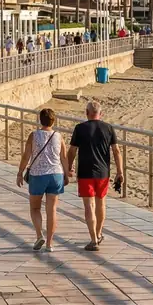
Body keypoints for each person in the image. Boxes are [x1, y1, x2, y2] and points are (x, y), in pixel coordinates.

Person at [66, 100, 124, 251]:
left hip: (85, 172)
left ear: (87, 113)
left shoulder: (80, 128)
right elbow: (116, 151)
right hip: (103, 172)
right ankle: (98, 234)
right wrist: (120, 171)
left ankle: (93, 240)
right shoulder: (109, 128)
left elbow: (72, 151)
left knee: (89, 206)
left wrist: (68, 167)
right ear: (101, 114)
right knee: (101, 204)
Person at [17, 108, 67, 252]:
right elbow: (63, 157)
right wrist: (66, 173)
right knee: (52, 210)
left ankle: (39, 235)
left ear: (40, 120)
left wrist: (20, 172)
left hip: (38, 175)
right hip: (55, 175)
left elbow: (26, 156)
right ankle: (50, 244)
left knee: (35, 208)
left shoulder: (34, 135)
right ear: (54, 120)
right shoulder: (59, 136)